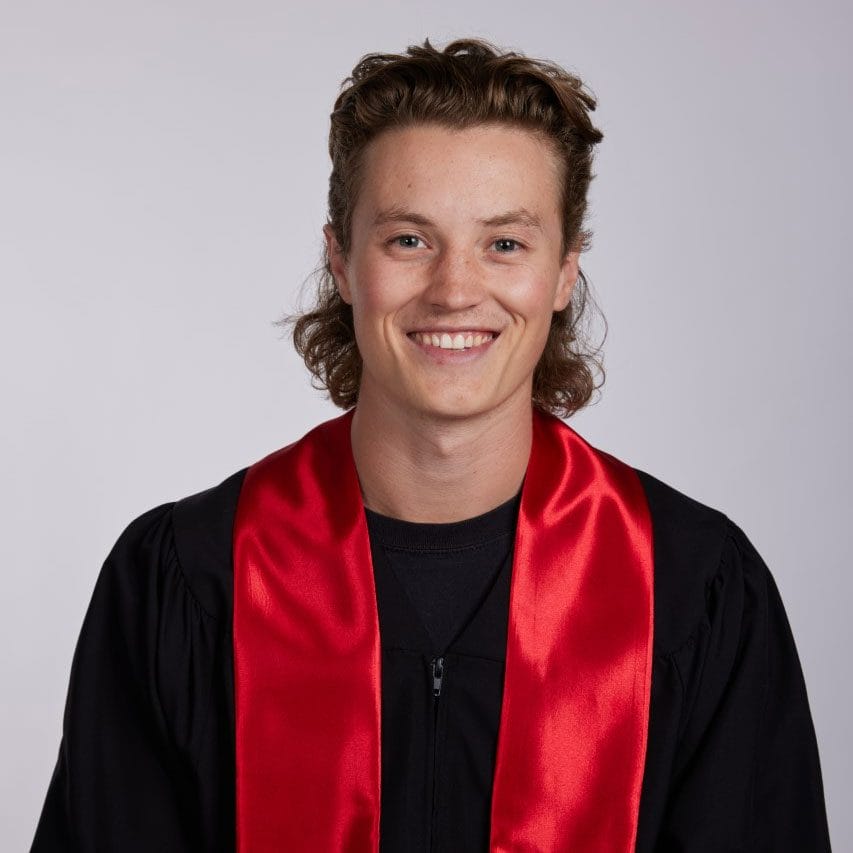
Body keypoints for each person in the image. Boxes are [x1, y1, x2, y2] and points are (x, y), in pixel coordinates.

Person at [31, 38, 831, 852]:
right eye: (409, 239)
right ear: (340, 261)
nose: (454, 288)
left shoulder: (692, 588)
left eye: (505, 243)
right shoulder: (187, 582)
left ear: (563, 273)